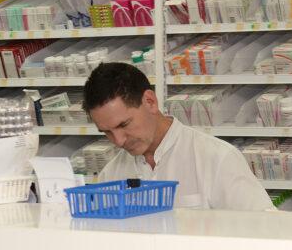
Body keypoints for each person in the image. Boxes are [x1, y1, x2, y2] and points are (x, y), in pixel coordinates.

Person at [82, 62, 274, 211]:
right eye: (107, 132)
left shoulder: (217, 159)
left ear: (150, 102)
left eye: (124, 124)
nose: (118, 141)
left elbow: (266, 229)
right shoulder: (111, 175)